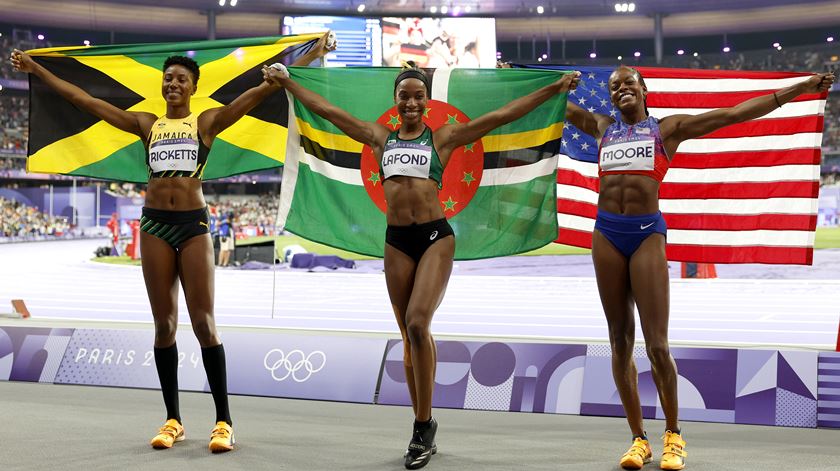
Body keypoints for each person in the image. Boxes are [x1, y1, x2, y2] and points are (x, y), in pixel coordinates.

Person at [11, 32, 336, 453]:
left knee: (203, 324)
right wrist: (37, 68)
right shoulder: (148, 123)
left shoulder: (206, 122)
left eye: (181, 79)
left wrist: (312, 53)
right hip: (155, 225)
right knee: (164, 325)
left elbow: (263, 89)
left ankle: (223, 421)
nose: (173, 84)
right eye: (168, 79)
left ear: (193, 87)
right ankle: (173, 420)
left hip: (193, 224)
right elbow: (87, 103)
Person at [264, 61, 579, 469]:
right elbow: (328, 111)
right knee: (409, 336)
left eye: (417, 95)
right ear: (395, 101)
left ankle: (421, 426)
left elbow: (501, 116)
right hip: (396, 242)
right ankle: (423, 422)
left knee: (417, 322)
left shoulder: (443, 138)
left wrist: (552, 91)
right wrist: (288, 83)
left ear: (426, 101)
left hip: (434, 237)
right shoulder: (379, 137)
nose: (411, 102)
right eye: (404, 95)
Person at [563, 66, 835, 470]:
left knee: (657, 345)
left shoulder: (668, 130)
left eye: (628, 83)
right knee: (619, 341)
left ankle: (673, 433)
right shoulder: (602, 127)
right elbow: (557, 105)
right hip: (606, 234)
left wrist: (799, 88)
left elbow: (734, 114)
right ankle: (638, 439)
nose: (621, 89)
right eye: (614, 85)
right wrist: (513, 77)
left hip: (646, 235)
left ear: (644, 90)